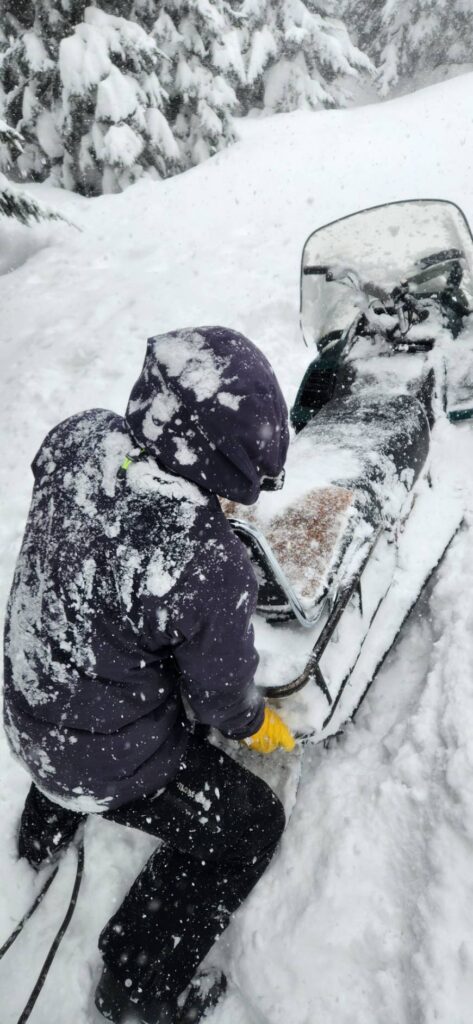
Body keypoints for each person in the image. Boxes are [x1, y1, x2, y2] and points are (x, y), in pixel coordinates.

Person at [3, 326, 295, 1024]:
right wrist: (256, 722)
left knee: (96, 657)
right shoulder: (203, 557)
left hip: (25, 706)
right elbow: (218, 697)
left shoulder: (80, 437)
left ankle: (46, 821)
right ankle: (138, 983)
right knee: (250, 827)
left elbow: (98, 547)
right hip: (103, 760)